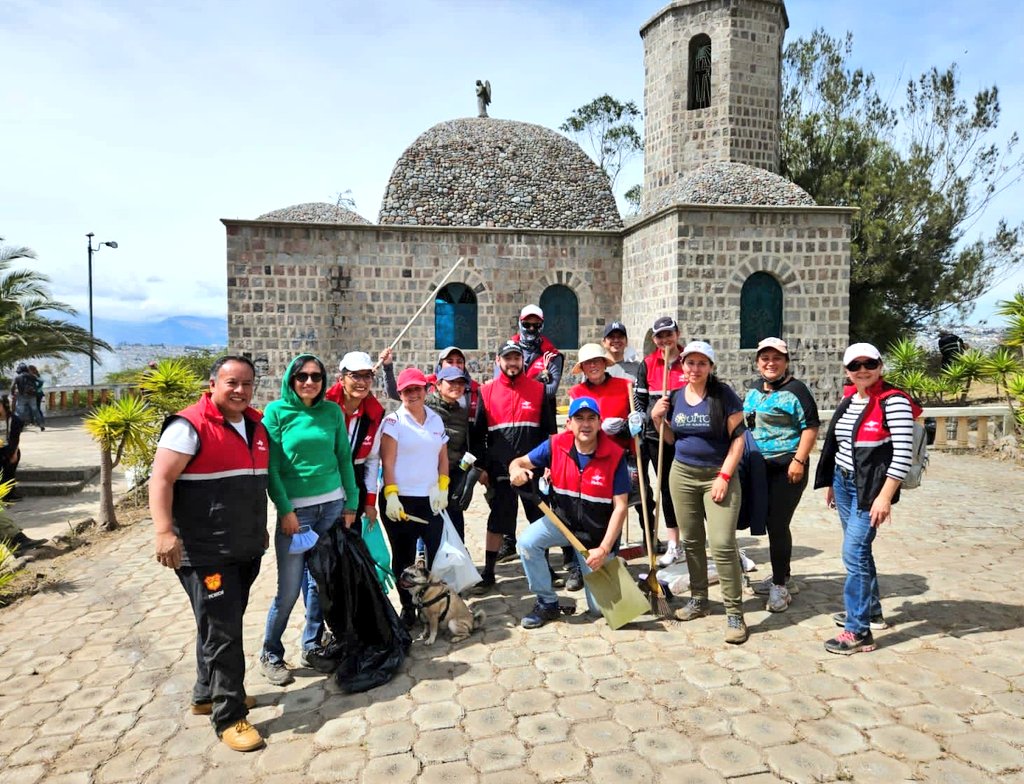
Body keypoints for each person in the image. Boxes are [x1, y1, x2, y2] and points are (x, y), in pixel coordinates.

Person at [149, 356, 269, 752]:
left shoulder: (253, 424)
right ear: (213, 382)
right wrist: (164, 531)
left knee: (220, 624)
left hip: (244, 547)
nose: (240, 390)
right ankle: (230, 715)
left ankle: (207, 693)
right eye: (232, 382)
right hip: (205, 552)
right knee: (224, 633)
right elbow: (162, 479)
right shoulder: (189, 426)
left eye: (247, 383)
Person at [259, 354, 360, 686]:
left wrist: (352, 502)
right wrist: (285, 509)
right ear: (291, 379)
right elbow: (271, 467)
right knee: (288, 590)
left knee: (319, 584)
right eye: (302, 376)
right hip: (296, 514)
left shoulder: (332, 411)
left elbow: (343, 457)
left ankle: (311, 645)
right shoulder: (276, 412)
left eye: (316, 377)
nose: (309, 382)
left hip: (331, 507)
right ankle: (271, 653)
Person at [814, 342, 919, 655]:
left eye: (869, 363)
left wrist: (885, 497)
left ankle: (858, 632)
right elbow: (840, 445)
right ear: (847, 371)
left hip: (870, 490)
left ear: (880, 366)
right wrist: (833, 482)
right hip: (845, 483)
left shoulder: (894, 401)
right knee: (859, 552)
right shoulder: (851, 400)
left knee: (853, 554)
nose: (863, 370)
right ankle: (870, 610)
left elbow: (902, 454)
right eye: (855, 365)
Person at [652, 341, 749, 644]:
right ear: (682, 366)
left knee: (721, 543)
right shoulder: (675, 398)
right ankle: (699, 599)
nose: (695, 369)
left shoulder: (724, 396)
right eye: (690, 363)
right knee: (691, 541)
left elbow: (739, 439)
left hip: (717, 475)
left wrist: (724, 476)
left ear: (710, 366)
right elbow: (670, 439)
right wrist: (657, 419)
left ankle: (734, 612)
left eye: (701, 363)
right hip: (681, 474)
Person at [509, 396, 630, 628]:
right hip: (562, 523)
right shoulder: (555, 445)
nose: (585, 424)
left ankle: (614, 568)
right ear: (569, 424)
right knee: (527, 542)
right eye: (579, 418)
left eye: (591, 418)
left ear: (599, 422)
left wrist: (604, 550)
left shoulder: (614, 456)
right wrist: (516, 470)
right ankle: (547, 602)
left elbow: (621, 507)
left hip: (595, 539)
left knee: (599, 611)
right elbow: (519, 462)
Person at [742, 338, 820, 612]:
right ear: (757, 362)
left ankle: (779, 586)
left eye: (777, 358)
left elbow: (810, 427)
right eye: (765, 358)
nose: (770, 363)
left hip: (787, 467)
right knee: (763, 520)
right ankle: (783, 575)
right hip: (757, 467)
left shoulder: (797, 391)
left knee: (777, 524)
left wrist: (799, 460)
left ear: (786, 362)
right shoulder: (753, 389)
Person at [474, 340, 556, 591]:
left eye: (516, 358)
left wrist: (551, 464)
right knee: (498, 519)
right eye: (507, 358)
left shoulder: (539, 390)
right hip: (499, 470)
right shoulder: (485, 392)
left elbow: (550, 431)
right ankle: (488, 572)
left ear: (522, 361)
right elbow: (477, 435)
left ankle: (547, 567)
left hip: (534, 467)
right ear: (498, 361)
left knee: (540, 517)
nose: (512, 363)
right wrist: (482, 467)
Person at [380, 367, 450, 627]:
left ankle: (431, 602)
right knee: (404, 556)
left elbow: (442, 457)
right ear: (400, 393)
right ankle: (408, 607)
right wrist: (391, 495)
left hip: (430, 500)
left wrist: (443, 486)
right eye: (407, 390)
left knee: (435, 553)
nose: (412, 394)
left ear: (426, 390)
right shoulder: (394, 422)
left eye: (417, 389)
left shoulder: (435, 419)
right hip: (401, 501)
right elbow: (388, 463)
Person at [495, 304, 565, 559]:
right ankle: (507, 539)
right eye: (527, 324)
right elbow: (501, 384)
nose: (532, 329)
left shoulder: (551, 354)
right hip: (510, 422)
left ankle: (550, 554)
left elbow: (551, 390)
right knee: (504, 494)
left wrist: (525, 386)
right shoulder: (509, 347)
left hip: (540, 422)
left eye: (536, 325)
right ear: (520, 324)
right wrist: (536, 382)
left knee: (539, 494)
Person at [565, 343, 634, 591]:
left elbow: (634, 420)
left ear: (605, 363)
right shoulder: (576, 391)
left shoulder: (624, 386)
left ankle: (608, 558)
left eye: (597, 361)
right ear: (582, 367)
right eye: (587, 363)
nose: (592, 366)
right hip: (585, 458)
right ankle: (577, 564)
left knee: (612, 511)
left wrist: (628, 426)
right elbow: (569, 427)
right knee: (580, 513)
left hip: (615, 458)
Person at [634, 316, 687, 562]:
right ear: (654, 339)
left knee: (693, 490)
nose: (665, 340)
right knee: (666, 488)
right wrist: (651, 417)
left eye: (669, 334)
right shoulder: (647, 364)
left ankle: (697, 540)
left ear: (677, 334)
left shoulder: (690, 361)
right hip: (658, 439)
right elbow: (640, 403)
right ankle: (674, 543)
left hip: (689, 437)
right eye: (660, 336)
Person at [326, 351, 386, 524]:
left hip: (356, 487)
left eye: (367, 376)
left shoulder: (374, 414)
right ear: (341, 378)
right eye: (355, 376)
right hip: (325, 486)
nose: (362, 382)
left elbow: (372, 460)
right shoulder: (324, 407)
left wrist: (369, 503)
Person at [425, 365, 477, 541]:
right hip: (428, 474)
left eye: (461, 383)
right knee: (430, 522)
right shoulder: (425, 407)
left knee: (455, 520)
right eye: (451, 382)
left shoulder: (462, 412)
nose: (457, 386)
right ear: (438, 385)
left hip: (453, 473)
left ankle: (458, 557)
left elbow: (463, 444)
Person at [426, 346, 481, 420]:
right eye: (450, 362)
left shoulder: (476, 388)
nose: (455, 366)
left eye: (459, 362)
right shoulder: (425, 385)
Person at [0, 396, 24, 499]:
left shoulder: (14, 420)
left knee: (9, 472)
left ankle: (10, 493)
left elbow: (15, 438)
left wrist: (14, 453)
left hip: (10, 449)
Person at [11, 363, 43, 430]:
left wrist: (12, 393)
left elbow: (12, 386)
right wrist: (37, 388)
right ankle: (41, 425)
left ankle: (20, 427)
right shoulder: (31, 376)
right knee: (35, 410)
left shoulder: (17, 377)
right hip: (32, 396)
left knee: (20, 412)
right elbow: (40, 381)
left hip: (22, 396)